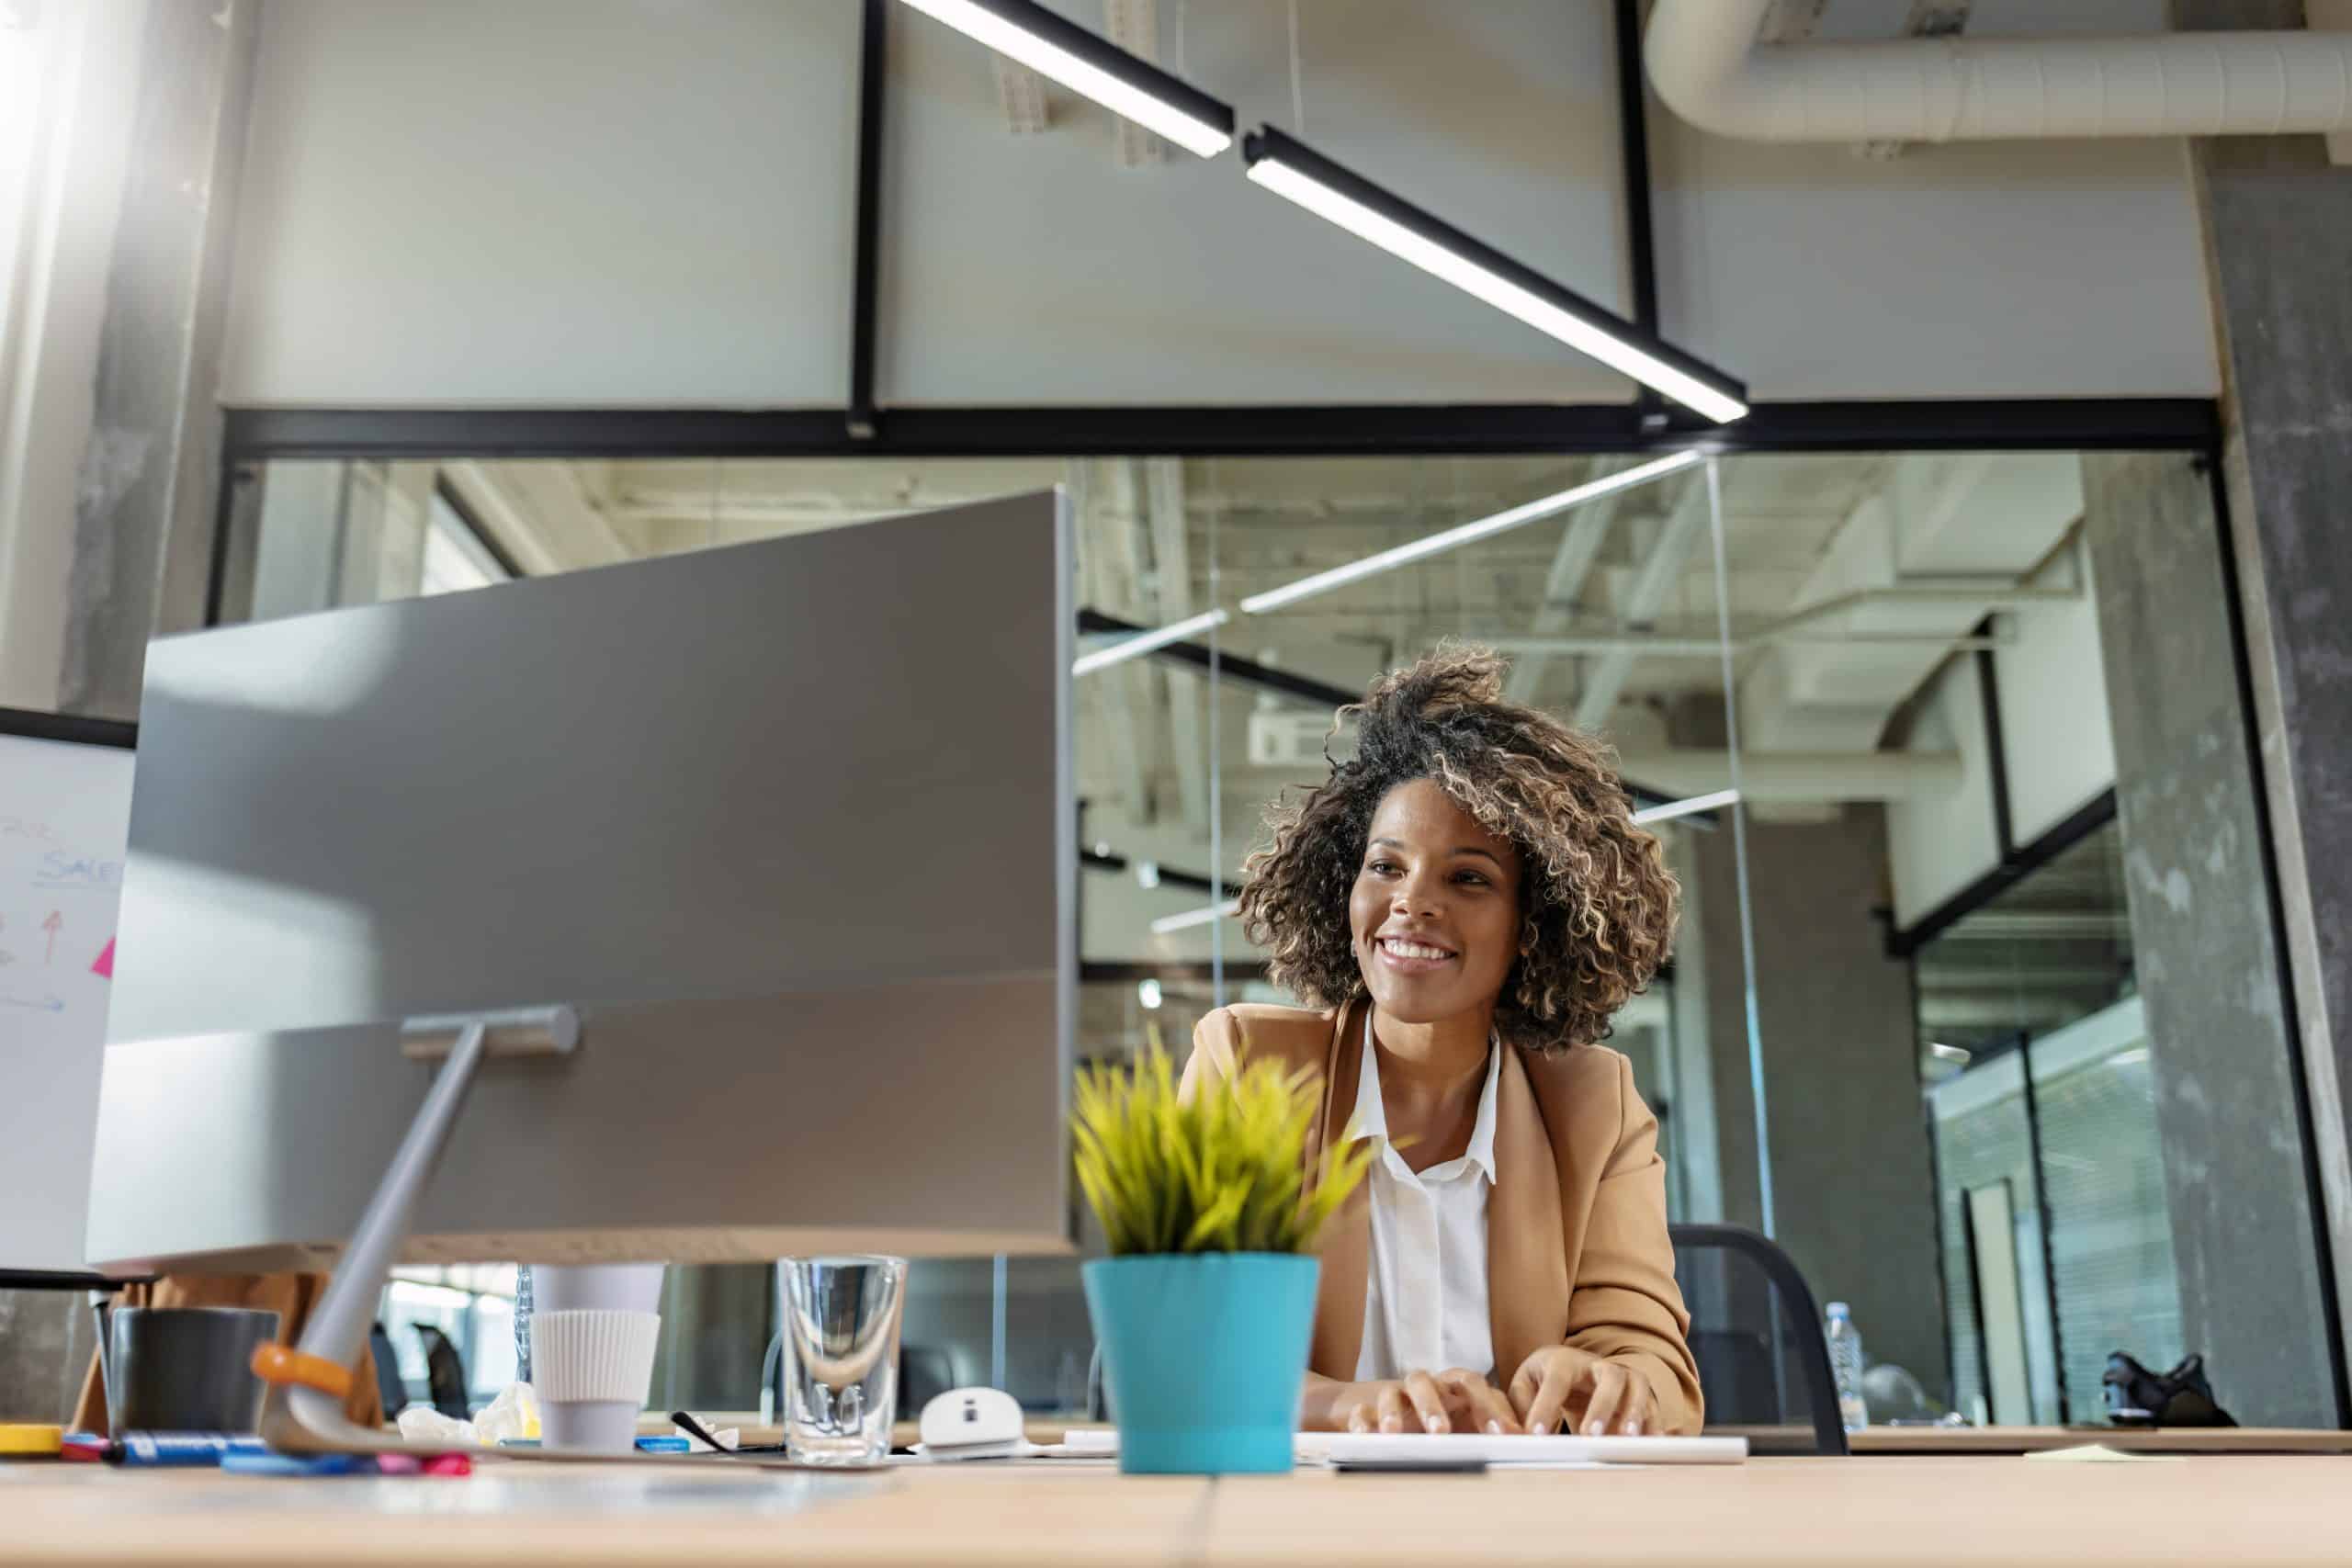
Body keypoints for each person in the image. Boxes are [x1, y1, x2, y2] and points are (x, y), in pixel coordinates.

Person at [1181, 644, 1699, 1438]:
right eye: (1385, 866)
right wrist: (1359, 1405)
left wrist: (1608, 1380)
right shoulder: (1248, 1066)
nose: (1411, 902)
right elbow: (1194, 1352)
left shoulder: (1595, 1107)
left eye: (1468, 878)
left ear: (1532, 925)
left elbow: (1655, 1365)